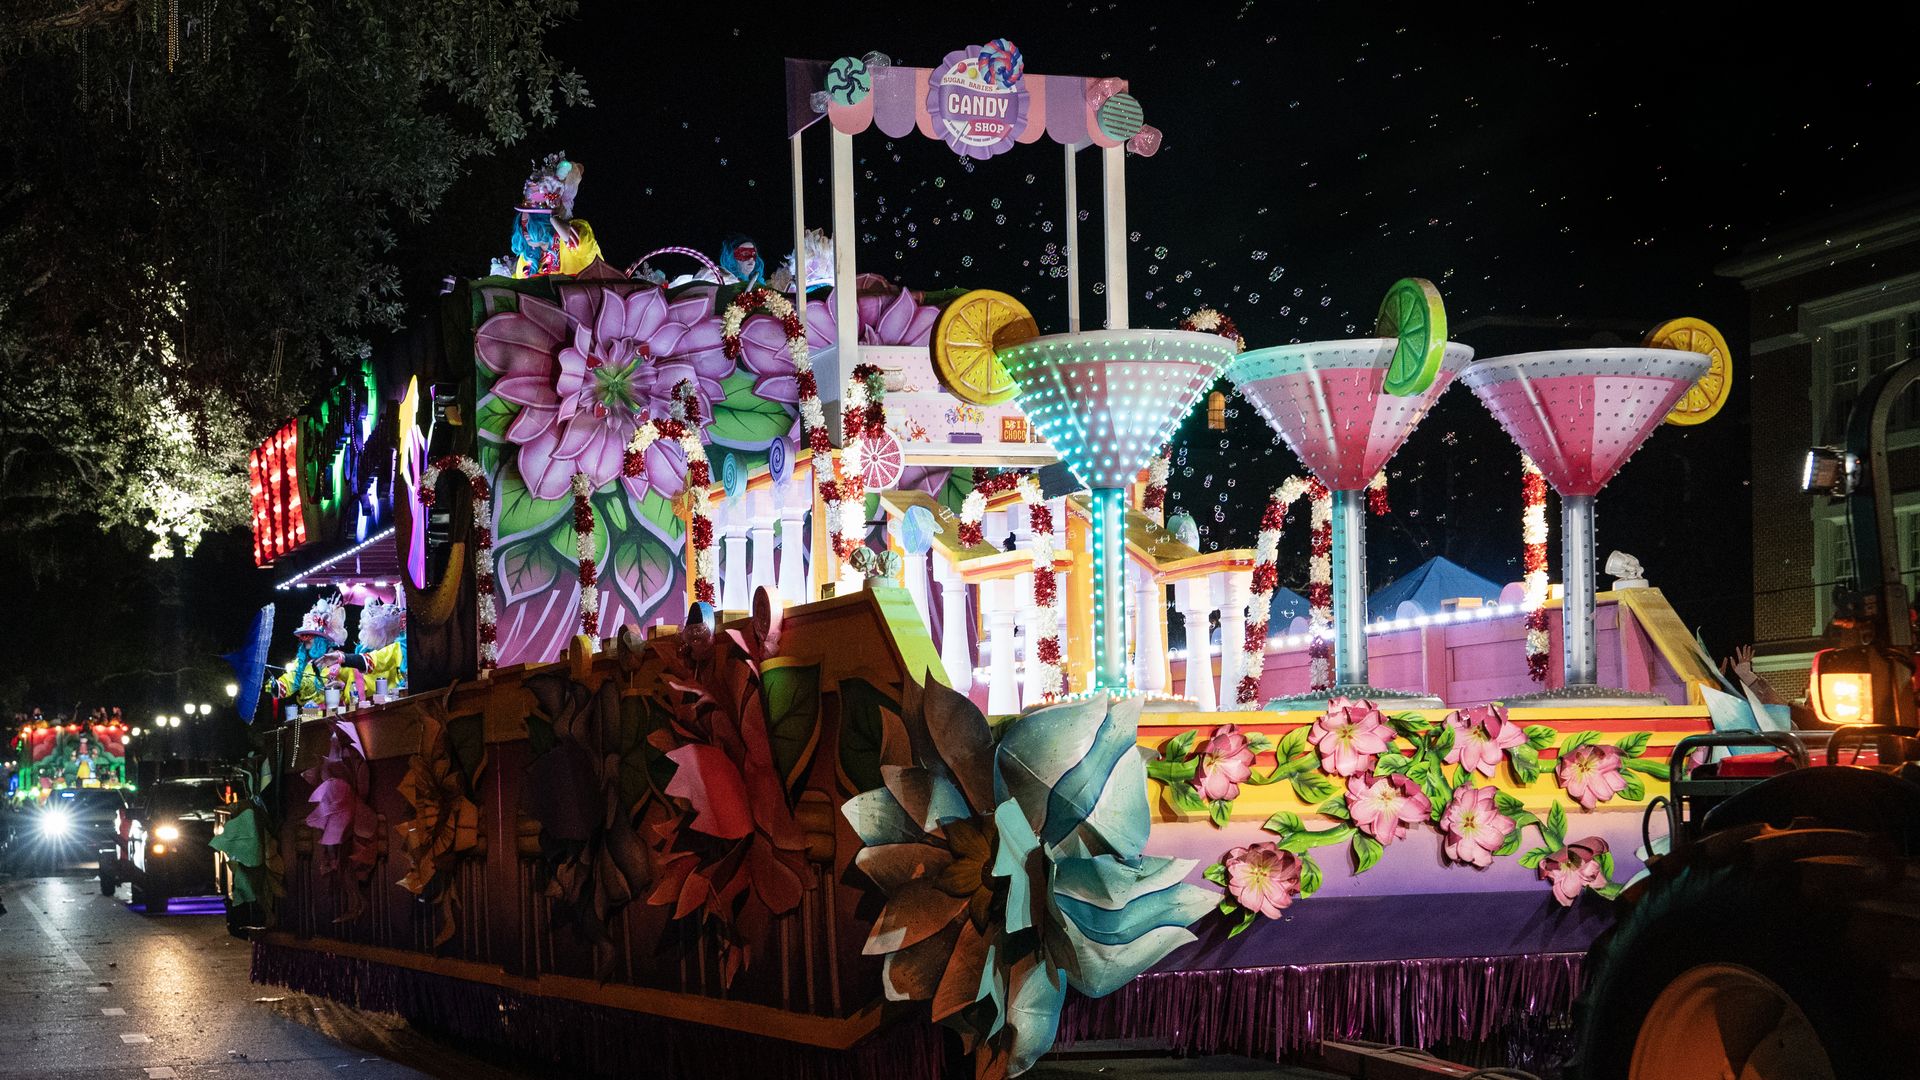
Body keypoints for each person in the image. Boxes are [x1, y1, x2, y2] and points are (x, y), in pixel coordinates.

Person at [323, 595, 407, 703]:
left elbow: (375, 661)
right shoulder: (361, 656)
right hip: (359, 711)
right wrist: (342, 686)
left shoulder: (395, 650)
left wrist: (343, 658)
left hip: (388, 710)